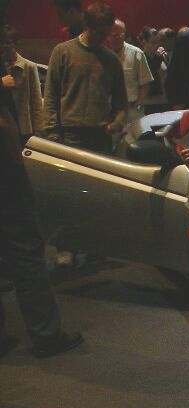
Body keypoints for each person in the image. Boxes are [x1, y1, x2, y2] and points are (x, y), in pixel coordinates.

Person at [0, 59, 83, 359]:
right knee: (27, 253)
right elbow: (3, 122)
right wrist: (17, 166)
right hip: (5, 177)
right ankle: (46, 335)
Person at [44, 2, 128, 154]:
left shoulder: (111, 60)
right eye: (99, 33)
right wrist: (52, 132)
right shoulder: (63, 52)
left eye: (106, 34)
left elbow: (121, 101)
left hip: (101, 136)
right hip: (69, 135)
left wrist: (117, 123)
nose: (103, 38)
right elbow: (51, 95)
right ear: (87, 26)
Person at [0, 25, 44, 145]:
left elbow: (36, 101)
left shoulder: (29, 66)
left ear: (16, 43)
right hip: (6, 123)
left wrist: (39, 130)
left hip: (24, 125)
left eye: (8, 42)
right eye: (2, 43)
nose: (5, 46)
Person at [109, 19, 154, 122]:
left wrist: (139, 104)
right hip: (109, 112)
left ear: (124, 34)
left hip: (131, 110)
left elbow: (146, 82)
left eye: (117, 34)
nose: (114, 38)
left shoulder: (136, 53)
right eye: (111, 34)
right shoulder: (102, 54)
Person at [139, 26, 169, 114]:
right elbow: (149, 75)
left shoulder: (161, 56)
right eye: (153, 42)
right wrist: (157, 59)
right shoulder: (140, 58)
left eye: (158, 42)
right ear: (144, 42)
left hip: (163, 103)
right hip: (148, 104)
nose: (157, 45)